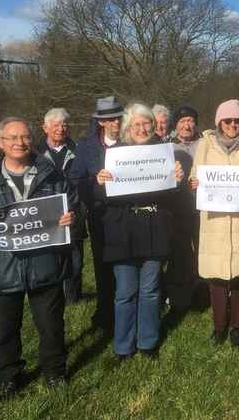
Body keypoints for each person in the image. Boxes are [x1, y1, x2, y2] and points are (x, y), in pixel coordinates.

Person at [0, 117, 76, 400]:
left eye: (23, 137)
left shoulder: (52, 174)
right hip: (3, 268)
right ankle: (9, 378)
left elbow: (75, 206)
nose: (19, 143)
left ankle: (54, 373)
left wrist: (73, 218)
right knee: (5, 331)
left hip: (46, 264)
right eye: (11, 138)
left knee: (51, 327)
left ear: (31, 140)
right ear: (0, 143)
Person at [96, 103, 184, 360]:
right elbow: (96, 196)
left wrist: (177, 181)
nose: (142, 128)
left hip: (155, 227)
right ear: (126, 128)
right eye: (136, 124)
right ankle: (123, 346)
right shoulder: (113, 154)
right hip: (122, 229)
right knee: (125, 292)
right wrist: (100, 183)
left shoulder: (163, 153)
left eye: (146, 123)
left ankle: (148, 342)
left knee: (151, 289)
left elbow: (173, 197)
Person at [189, 99, 239, 347]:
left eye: (236, 120)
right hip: (215, 221)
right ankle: (218, 327)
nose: (232, 125)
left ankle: (236, 327)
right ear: (219, 122)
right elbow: (195, 175)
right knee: (216, 277)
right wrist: (194, 184)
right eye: (227, 121)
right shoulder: (204, 144)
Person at [68, 96, 124, 332]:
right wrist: (94, 180)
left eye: (118, 118)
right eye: (110, 119)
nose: (115, 123)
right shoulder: (86, 147)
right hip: (100, 215)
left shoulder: (131, 143)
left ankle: (126, 310)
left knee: (127, 264)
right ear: (101, 122)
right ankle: (105, 312)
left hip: (128, 211)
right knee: (102, 264)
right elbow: (75, 179)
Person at [36, 107, 85, 303]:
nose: (61, 128)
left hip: (73, 209)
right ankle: (49, 295)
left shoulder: (78, 150)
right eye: (56, 124)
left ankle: (73, 297)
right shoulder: (35, 153)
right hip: (44, 212)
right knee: (47, 258)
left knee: (75, 259)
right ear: (45, 128)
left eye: (64, 124)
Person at [164, 105, 201, 312]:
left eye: (190, 121)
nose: (187, 125)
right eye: (182, 122)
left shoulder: (206, 144)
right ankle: (179, 297)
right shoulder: (168, 147)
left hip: (203, 207)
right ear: (175, 126)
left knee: (203, 250)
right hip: (178, 208)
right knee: (180, 253)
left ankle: (203, 289)